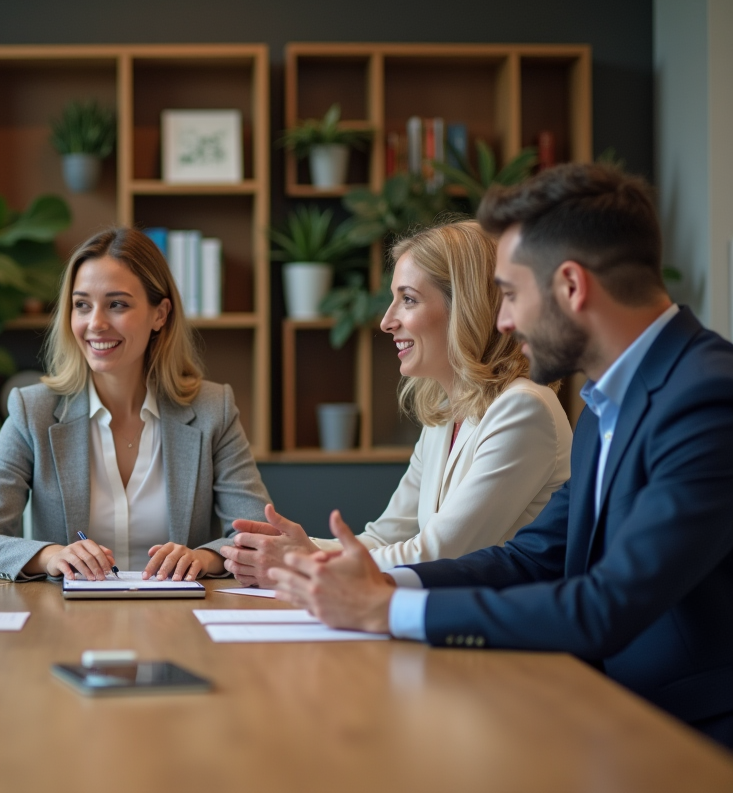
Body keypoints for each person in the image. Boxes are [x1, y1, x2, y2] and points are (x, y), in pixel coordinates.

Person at [268, 164, 733, 749]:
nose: (503, 320)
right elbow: (531, 558)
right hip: (606, 704)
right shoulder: (606, 403)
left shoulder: (707, 397)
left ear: (571, 286)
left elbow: (608, 605)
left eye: (510, 294)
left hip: (689, 733)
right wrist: (382, 580)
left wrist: (384, 610)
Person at [221, 220, 572, 583]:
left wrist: (305, 561)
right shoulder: (445, 416)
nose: (387, 321)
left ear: (467, 307)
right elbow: (383, 538)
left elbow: (440, 553)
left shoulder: (523, 408)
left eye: (408, 299)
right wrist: (289, 548)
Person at [0, 226, 271, 582]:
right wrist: (50, 555)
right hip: (67, 614)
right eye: (82, 305)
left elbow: (260, 538)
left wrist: (202, 558)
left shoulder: (213, 409)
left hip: (180, 612)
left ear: (160, 314)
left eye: (117, 304)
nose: (96, 323)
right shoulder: (33, 410)